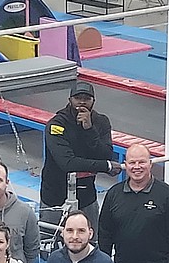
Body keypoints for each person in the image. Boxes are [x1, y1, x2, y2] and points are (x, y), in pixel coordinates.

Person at [39, 82, 120, 233]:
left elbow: (106, 154)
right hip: (55, 194)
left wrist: (89, 130)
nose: (82, 102)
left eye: (86, 98)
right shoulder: (56, 124)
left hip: (86, 193)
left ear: (93, 101)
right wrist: (105, 166)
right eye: (78, 98)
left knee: (91, 241)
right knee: (48, 243)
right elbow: (67, 163)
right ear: (70, 100)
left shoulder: (101, 122)